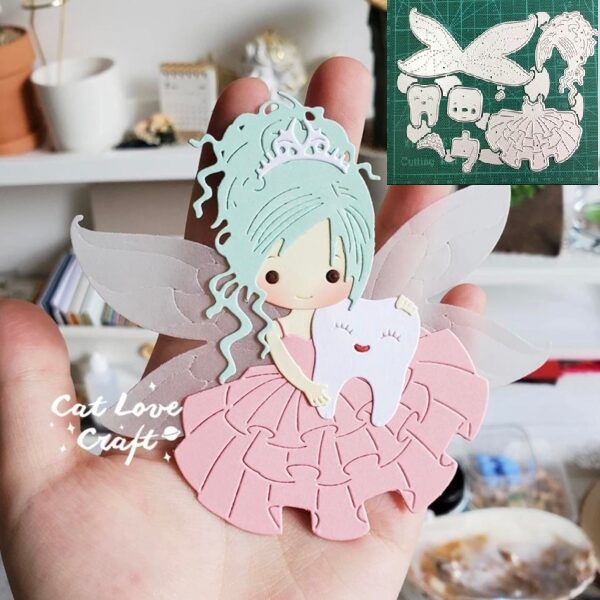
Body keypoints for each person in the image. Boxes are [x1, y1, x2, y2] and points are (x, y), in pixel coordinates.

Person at [0, 57, 485, 599]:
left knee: (356, 466)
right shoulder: (264, 328)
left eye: (331, 272)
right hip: (294, 398)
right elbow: (286, 356)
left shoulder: (349, 310)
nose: (306, 289)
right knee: (273, 469)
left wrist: (394, 323)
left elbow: (368, 334)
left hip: (342, 395)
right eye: (273, 274)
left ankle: (343, 508)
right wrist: (309, 386)